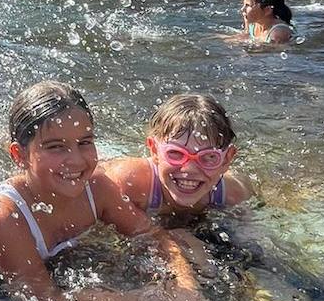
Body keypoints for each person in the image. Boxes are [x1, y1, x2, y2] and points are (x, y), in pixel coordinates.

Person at [0, 81, 205, 301]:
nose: (76, 160)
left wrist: (187, 285)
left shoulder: (97, 186)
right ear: (20, 155)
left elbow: (152, 235)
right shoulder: (5, 217)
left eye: (85, 142)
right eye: (56, 147)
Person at [99, 93, 251, 224]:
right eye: (176, 153)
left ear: (226, 160)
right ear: (154, 150)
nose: (189, 169)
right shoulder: (127, 184)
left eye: (209, 156)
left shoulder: (235, 193)